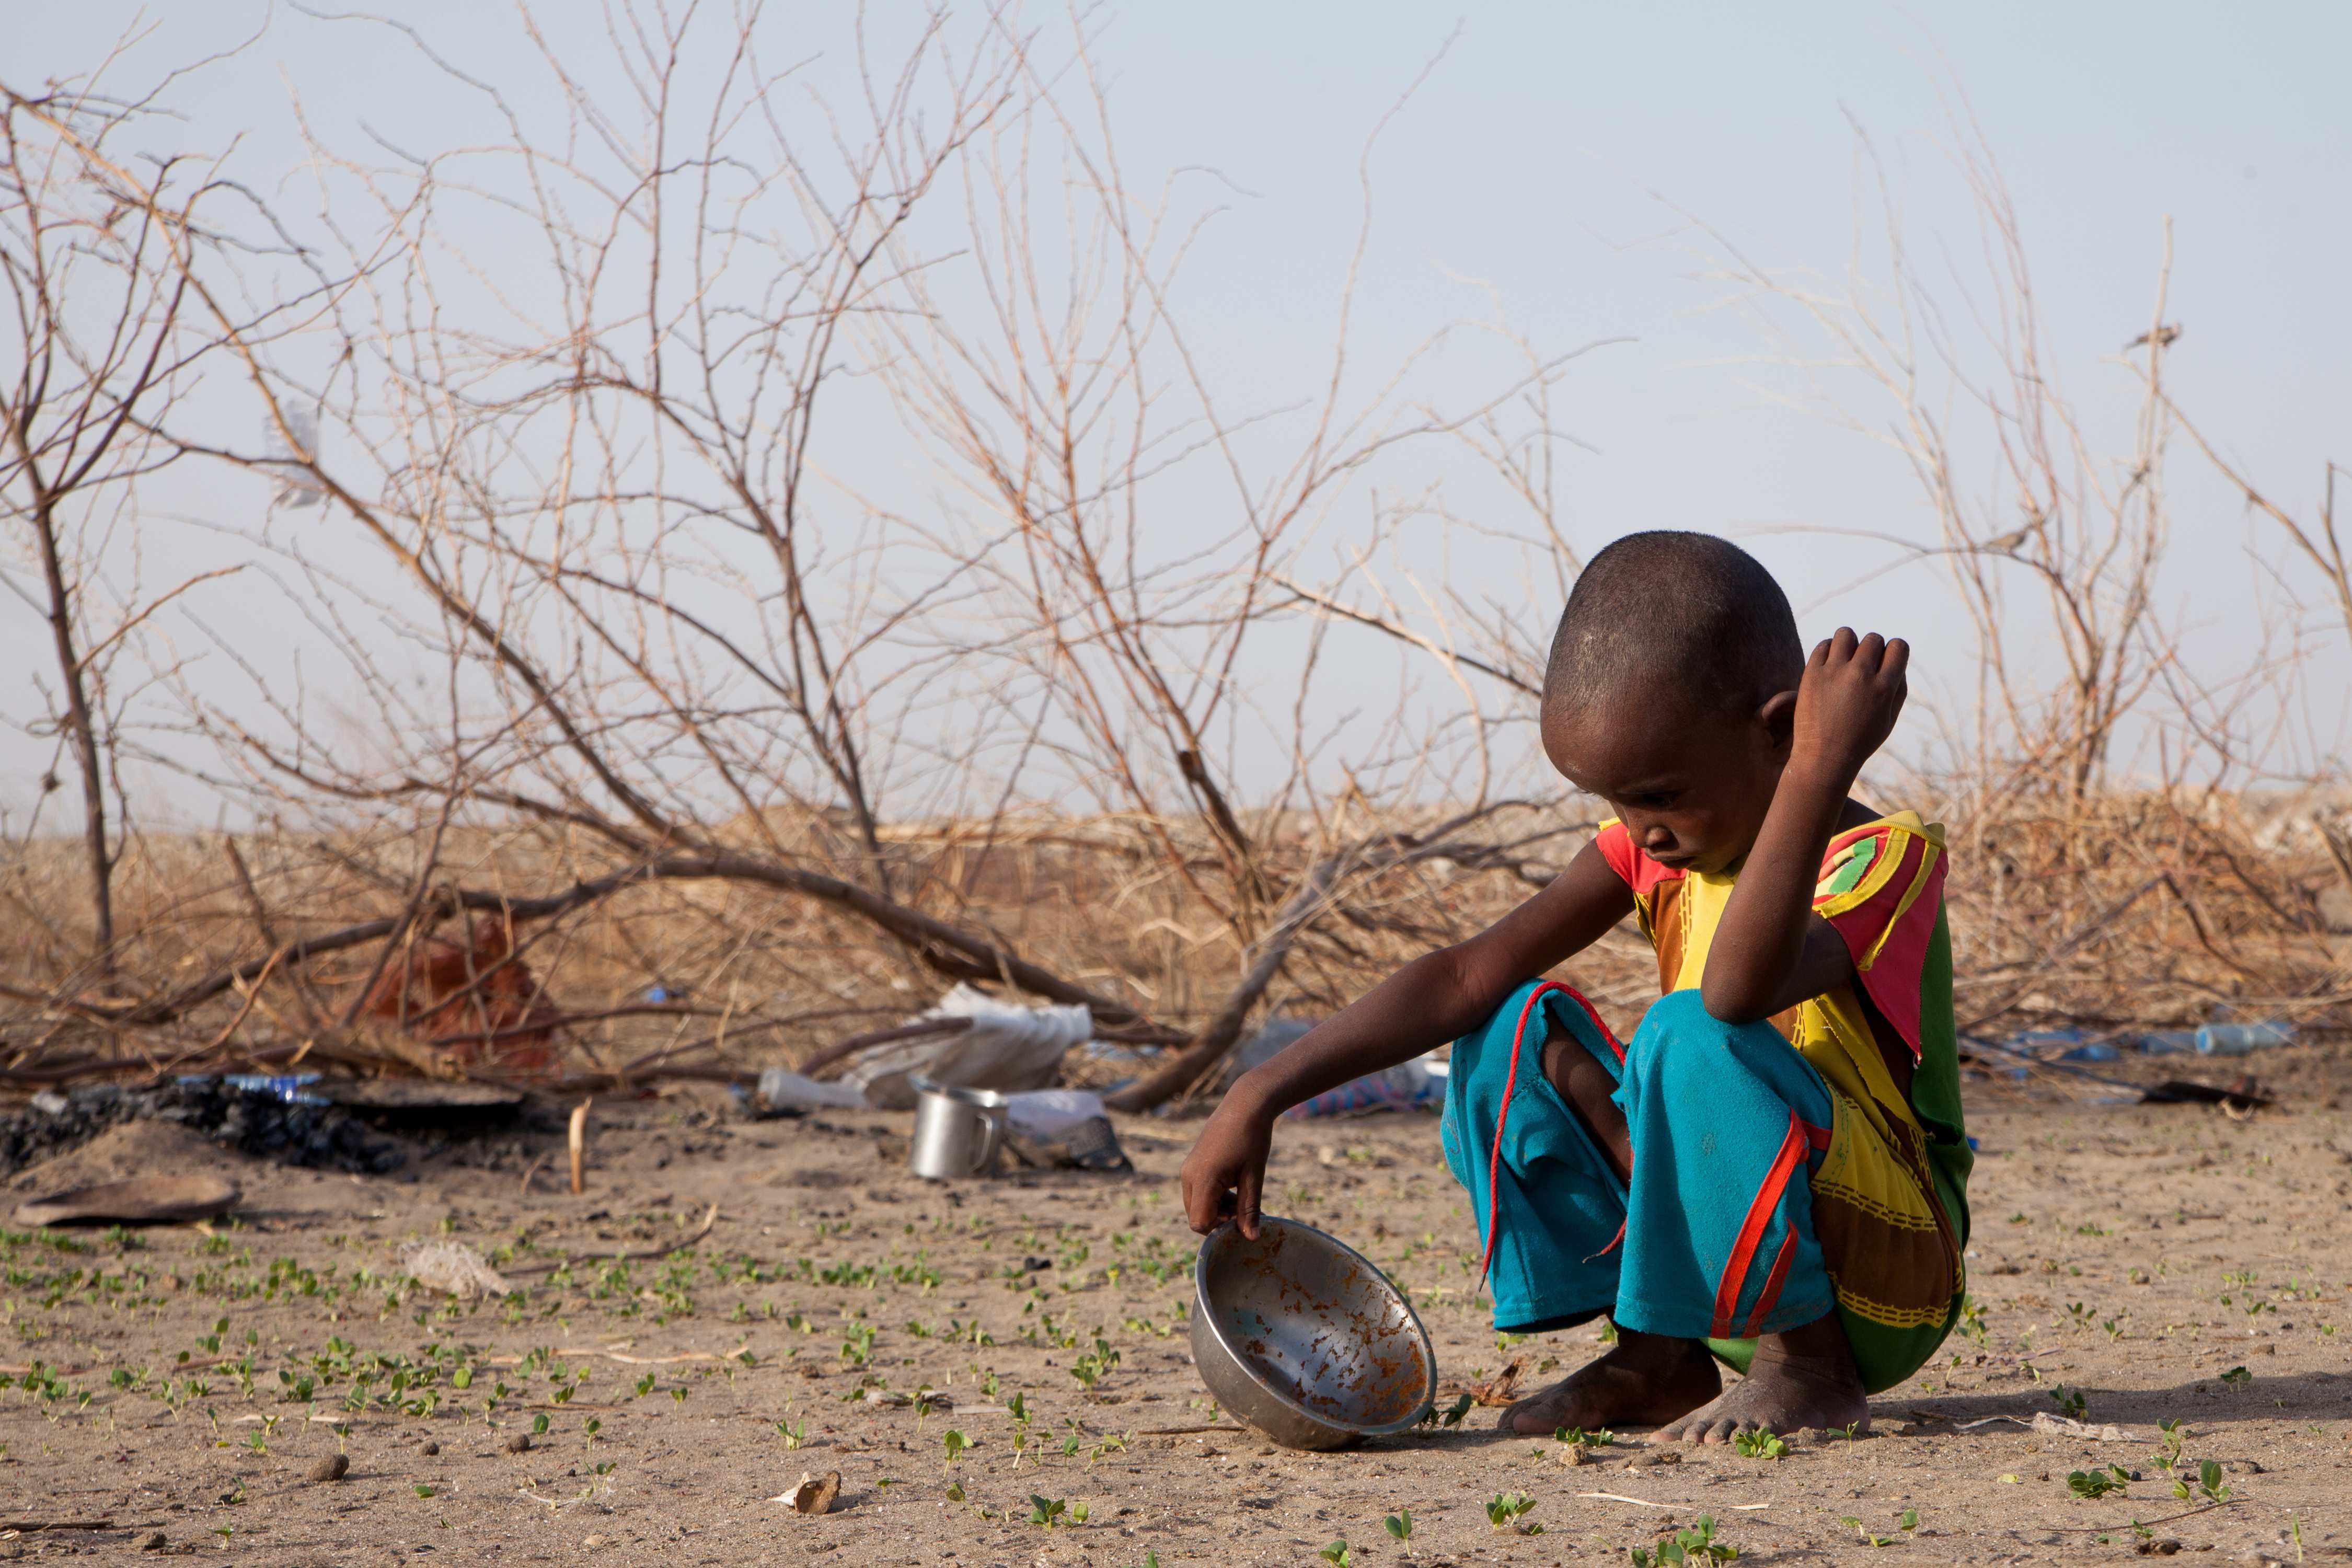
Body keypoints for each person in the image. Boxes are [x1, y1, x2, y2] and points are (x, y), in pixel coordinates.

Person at [1178, 531, 1969, 1443]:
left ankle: (1812, 1368)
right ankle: (1659, 1355)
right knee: (1507, 1026)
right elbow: (1465, 973)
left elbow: (1737, 992)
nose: (1644, 832)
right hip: (1723, 1264)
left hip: (1883, 1277)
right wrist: (1260, 1089)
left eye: (1660, 797)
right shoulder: (1656, 846)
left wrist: (1819, 774)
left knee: (1690, 1033)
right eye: (1619, 804)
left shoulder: (1881, 859)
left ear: (1784, 730)